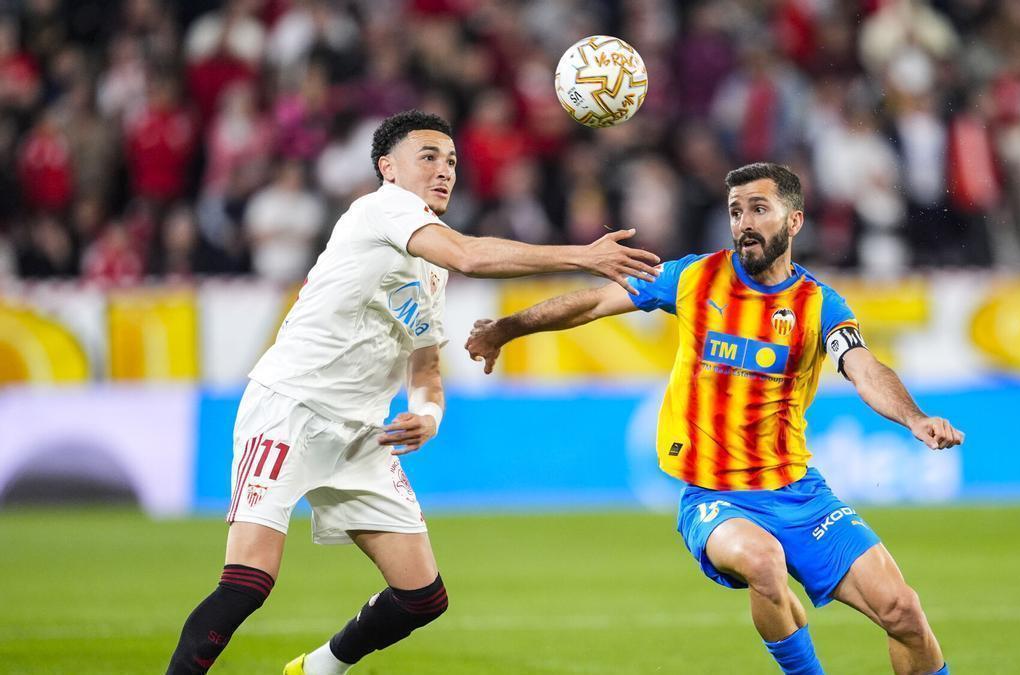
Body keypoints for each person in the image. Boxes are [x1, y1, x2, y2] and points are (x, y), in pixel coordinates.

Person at [164, 110, 660, 675]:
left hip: (363, 433)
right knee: (248, 584)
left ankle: (317, 669)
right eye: (428, 156)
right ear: (387, 168)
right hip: (291, 411)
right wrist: (582, 256)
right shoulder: (382, 209)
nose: (444, 169)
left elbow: (425, 366)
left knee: (422, 597)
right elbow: (472, 255)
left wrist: (428, 414)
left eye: (451, 160)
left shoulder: (429, 265)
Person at [466, 162, 963, 675]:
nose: (744, 221)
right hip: (715, 497)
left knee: (903, 612)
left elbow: (864, 369)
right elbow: (591, 305)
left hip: (799, 492)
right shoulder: (694, 277)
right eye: (735, 211)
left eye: (759, 209)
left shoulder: (818, 305)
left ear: (794, 222)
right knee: (762, 561)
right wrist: (506, 328)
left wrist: (914, 418)